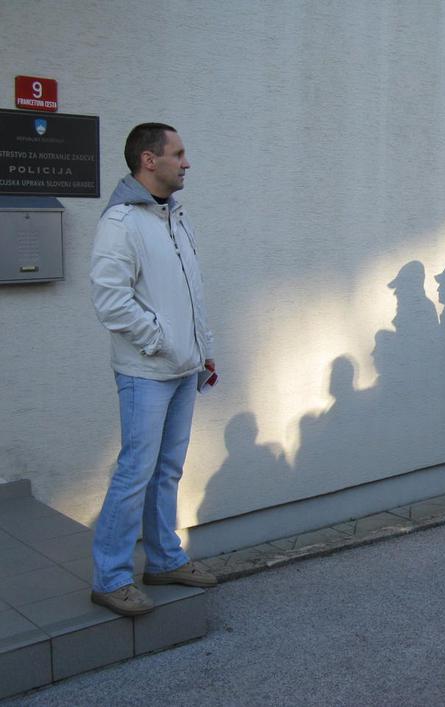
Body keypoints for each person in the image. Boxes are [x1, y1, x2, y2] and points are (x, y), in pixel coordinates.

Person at [89, 123, 218, 616]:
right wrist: (161, 342)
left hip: (184, 368)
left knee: (167, 470)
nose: (186, 163)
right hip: (145, 373)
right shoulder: (121, 222)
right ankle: (111, 578)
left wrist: (202, 348)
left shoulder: (175, 216)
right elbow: (111, 301)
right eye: (178, 154)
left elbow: (190, 292)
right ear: (149, 160)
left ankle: (164, 559)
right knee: (135, 473)